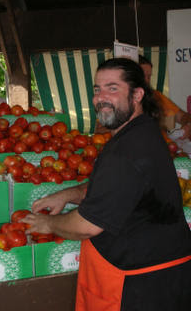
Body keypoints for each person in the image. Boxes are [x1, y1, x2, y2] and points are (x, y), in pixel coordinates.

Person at [21, 58, 191, 311]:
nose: (101, 97)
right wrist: (69, 194)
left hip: (140, 283)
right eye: (97, 89)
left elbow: (86, 226)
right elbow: (118, 188)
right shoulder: (140, 132)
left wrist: (47, 223)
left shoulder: (128, 150)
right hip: (157, 271)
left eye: (113, 88)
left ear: (137, 94)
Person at [95, 55, 191, 139]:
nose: (146, 80)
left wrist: (188, 125)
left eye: (148, 76)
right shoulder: (115, 102)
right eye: (142, 75)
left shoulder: (157, 97)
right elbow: (99, 131)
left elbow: (183, 116)